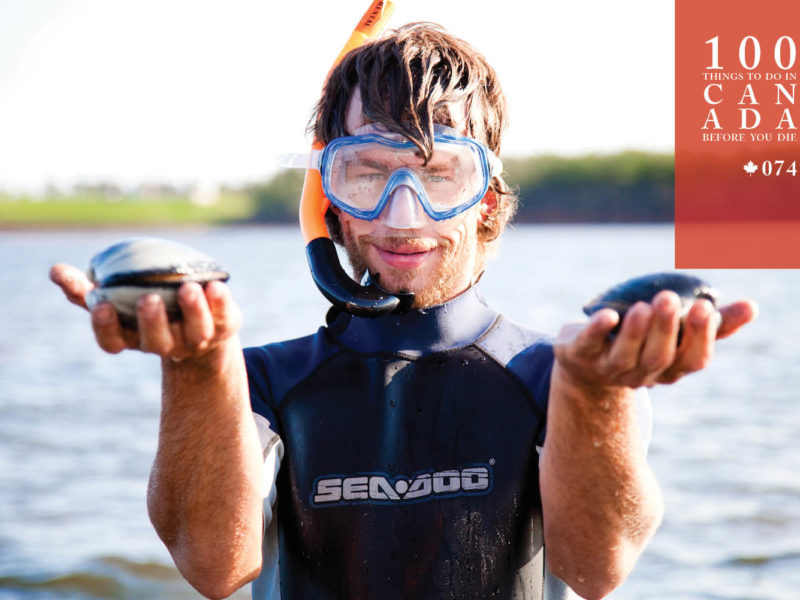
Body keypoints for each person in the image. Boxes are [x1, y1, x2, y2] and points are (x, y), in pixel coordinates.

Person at [51, 23, 757, 600]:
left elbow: (600, 567)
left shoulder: (562, 374)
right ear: (329, 198)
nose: (401, 212)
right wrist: (198, 365)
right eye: (368, 171)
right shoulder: (258, 381)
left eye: (439, 173)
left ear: (486, 196)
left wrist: (596, 394)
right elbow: (213, 566)